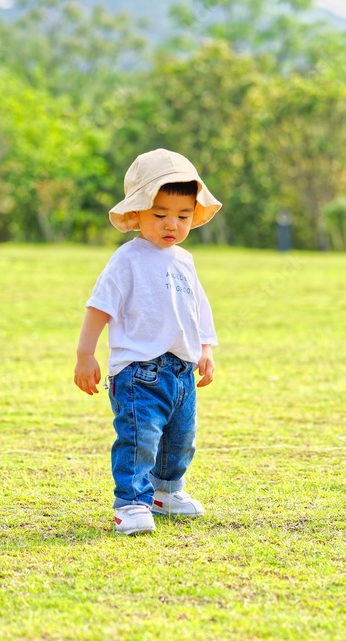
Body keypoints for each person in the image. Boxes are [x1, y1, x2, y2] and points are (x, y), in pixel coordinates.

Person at [73, 148, 222, 536]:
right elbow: (99, 307)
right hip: (139, 373)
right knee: (139, 439)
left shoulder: (184, 260)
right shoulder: (127, 259)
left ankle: (167, 492)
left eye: (183, 216)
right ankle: (131, 503)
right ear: (137, 212)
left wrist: (204, 349)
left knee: (180, 438)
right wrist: (85, 354)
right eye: (160, 215)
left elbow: (197, 309)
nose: (172, 224)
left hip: (181, 371)